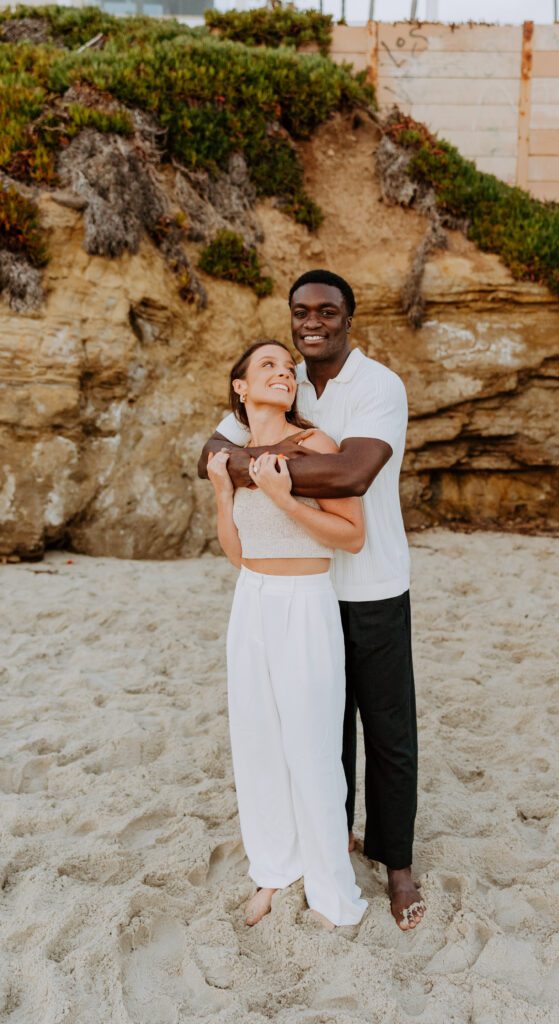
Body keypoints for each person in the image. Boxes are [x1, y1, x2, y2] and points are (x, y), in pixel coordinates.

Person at [199, 270, 424, 931]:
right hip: (298, 590)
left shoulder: (377, 385)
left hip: (371, 580)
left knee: (386, 731)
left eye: (327, 310)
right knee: (316, 733)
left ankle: (397, 863)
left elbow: (353, 472)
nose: (312, 320)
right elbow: (216, 447)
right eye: (301, 310)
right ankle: (327, 844)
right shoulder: (285, 379)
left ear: (348, 318)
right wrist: (242, 467)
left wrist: (264, 473)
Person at [205, 338, 368, 929]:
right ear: (241, 387)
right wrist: (226, 495)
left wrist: (285, 497)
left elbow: (351, 536)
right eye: (266, 366)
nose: (284, 372)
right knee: (257, 744)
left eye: (287, 367)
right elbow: (235, 552)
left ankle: (331, 890)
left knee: (311, 748)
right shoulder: (235, 455)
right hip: (251, 601)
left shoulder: (316, 446)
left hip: (305, 604)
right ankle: (274, 868)